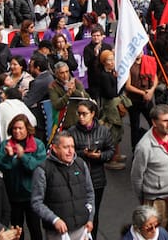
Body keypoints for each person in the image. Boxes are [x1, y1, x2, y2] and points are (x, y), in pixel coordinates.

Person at [131, 104, 168, 240]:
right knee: (155, 236)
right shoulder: (144, 147)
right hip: (155, 201)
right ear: (154, 122)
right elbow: (136, 177)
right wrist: (144, 199)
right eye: (165, 121)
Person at [31, 132, 95, 240]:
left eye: (72, 147)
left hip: (82, 230)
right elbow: (36, 202)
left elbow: (90, 193)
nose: (70, 151)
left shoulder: (80, 164)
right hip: (58, 234)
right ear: (55, 148)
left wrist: (90, 218)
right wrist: (54, 220)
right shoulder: (43, 170)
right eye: (66, 147)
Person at [66, 99, 115, 237]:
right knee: (77, 212)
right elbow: (67, 153)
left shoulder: (103, 131)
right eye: (79, 114)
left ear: (92, 114)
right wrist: (83, 154)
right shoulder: (72, 132)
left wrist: (100, 156)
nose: (81, 117)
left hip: (97, 178)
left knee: (93, 213)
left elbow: (111, 151)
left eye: (84, 114)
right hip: (77, 178)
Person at [0, 114, 46, 240]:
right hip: (13, 195)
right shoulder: (6, 144)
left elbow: (38, 166)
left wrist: (23, 156)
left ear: (27, 129)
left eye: (20, 128)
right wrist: (8, 156)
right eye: (15, 128)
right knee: (17, 229)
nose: (17, 131)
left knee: (35, 228)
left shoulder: (37, 145)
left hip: (32, 195)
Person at [48, 61, 89, 129]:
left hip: (78, 121)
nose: (65, 75)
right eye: (62, 73)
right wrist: (68, 94)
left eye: (67, 71)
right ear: (56, 74)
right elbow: (56, 105)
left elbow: (86, 97)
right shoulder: (53, 86)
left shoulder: (76, 81)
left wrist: (74, 91)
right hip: (64, 123)